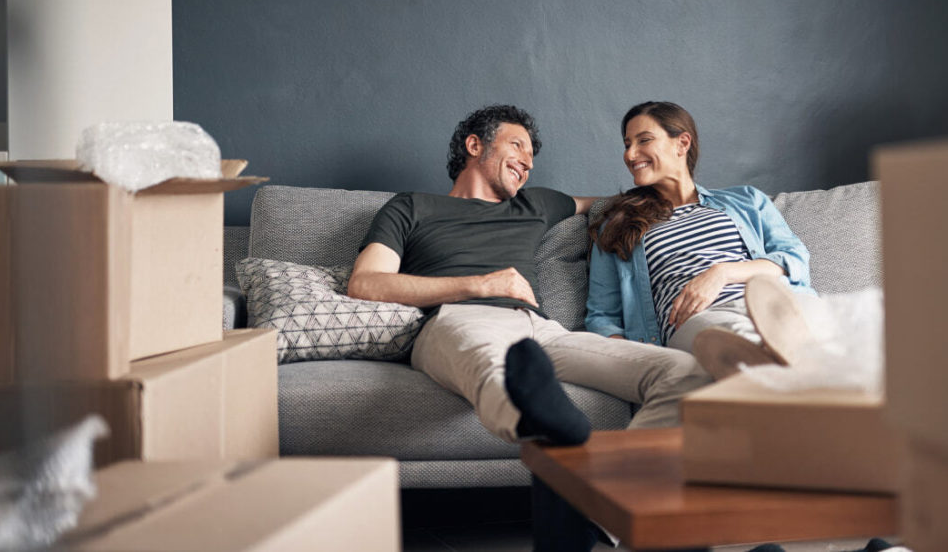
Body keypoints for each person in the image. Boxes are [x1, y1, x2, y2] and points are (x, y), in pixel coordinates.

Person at [348, 104, 712, 447]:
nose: (527, 163)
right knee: (495, 369)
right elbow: (365, 283)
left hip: (543, 330)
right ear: (475, 145)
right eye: (517, 146)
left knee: (683, 372)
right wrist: (480, 284)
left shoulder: (535, 203)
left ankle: (623, 481)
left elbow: (613, 203)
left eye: (531, 157)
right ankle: (535, 416)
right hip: (458, 319)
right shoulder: (411, 206)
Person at [585, 101, 817, 379]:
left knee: (821, 333)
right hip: (703, 322)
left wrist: (722, 273)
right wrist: (640, 362)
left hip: (769, 304)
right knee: (742, 343)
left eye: (644, 140)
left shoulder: (746, 200)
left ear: (682, 143)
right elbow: (602, 316)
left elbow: (794, 258)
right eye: (627, 144)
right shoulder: (619, 225)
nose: (631, 154)